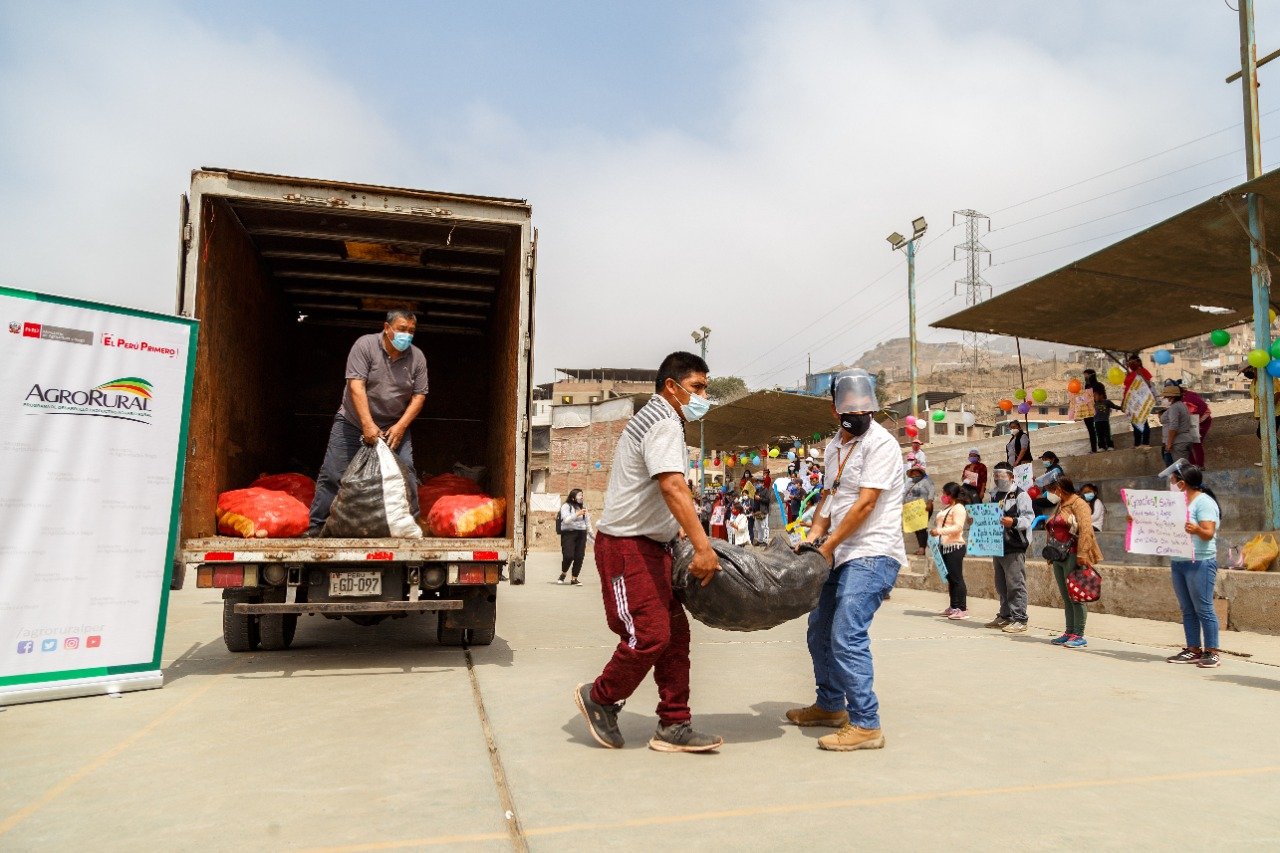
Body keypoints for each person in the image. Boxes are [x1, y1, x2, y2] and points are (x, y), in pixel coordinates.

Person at [573, 351, 723, 754]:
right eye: (697, 388)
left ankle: (674, 724)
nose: (703, 397)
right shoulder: (663, 421)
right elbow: (673, 486)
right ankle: (601, 697)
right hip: (627, 548)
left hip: (652, 547)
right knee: (651, 634)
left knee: (674, 637)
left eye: (705, 388)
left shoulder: (660, 418)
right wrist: (703, 547)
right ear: (671, 387)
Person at [786, 369, 905, 752]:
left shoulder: (882, 445)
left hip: (872, 551)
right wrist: (814, 535)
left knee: (846, 633)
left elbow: (866, 503)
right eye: (848, 404)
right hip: (840, 552)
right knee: (819, 628)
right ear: (834, 408)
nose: (856, 411)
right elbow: (829, 497)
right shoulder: (835, 445)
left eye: (862, 404)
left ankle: (867, 723)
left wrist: (829, 543)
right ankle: (830, 705)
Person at [307, 310, 427, 535]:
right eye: (402, 329)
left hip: (393, 426)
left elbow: (419, 396)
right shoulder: (365, 346)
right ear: (387, 327)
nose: (407, 335)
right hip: (352, 422)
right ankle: (316, 528)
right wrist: (367, 424)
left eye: (411, 331)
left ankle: (410, 528)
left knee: (407, 474)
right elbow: (356, 386)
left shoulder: (417, 357)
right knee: (333, 474)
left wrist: (400, 426)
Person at [1162, 462, 1223, 669]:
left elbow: (1208, 533)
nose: (1170, 484)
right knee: (1187, 608)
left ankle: (1212, 651)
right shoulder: (1177, 503)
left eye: (1172, 481)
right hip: (1179, 561)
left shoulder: (1203, 502)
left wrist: (1196, 529)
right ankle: (1193, 649)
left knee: (1204, 608)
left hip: (1200, 562)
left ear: (1182, 483)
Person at [1043, 475, 1103, 649]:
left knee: (1076, 595)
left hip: (1073, 554)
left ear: (1059, 489)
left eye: (1052, 490)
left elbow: (1086, 530)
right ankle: (1069, 631)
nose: (1050, 494)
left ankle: (1079, 633)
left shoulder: (1079, 504)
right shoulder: (1060, 504)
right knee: (1066, 596)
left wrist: (1083, 553)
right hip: (1058, 555)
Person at [985, 462, 1033, 633]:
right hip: (998, 545)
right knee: (1001, 584)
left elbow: (1028, 519)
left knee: (1015, 584)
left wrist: (1013, 522)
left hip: (1014, 545)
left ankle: (1020, 618)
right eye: (996, 476)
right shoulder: (994, 494)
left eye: (1002, 475)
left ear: (1012, 476)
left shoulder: (1021, 495)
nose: (998, 479)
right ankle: (1005, 616)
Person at [931, 482, 970, 619]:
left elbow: (958, 527)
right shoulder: (949, 507)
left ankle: (962, 608)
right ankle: (953, 606)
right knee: (951, 578)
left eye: (944, 493)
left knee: (957, 578)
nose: (943, 496)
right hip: (944, 546)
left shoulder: (959, 508)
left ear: (950, 494)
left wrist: (939, 531)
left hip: (955, 546)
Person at [1167, 381, 1212, 468]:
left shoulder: (1188, 397)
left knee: (1196, 443)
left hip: (1202, 421)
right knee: (1189, 444)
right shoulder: (1180, 400)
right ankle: (1193, 465)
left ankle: (1199, 465)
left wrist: (1193, 417)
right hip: (1193, 422)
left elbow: (1203, 407)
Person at [558, 489, 590, 585]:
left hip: (581, 533)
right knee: (568, 556)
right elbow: (566, 520)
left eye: (582, 495)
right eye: (580, 495)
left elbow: (587, 522)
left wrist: (591, 535)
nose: (582, 497)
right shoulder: (566, 506)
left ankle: (574, 578)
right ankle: (563, 573)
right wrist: (577, 514)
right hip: (569, 533)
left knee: (579, 556)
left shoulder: (583, 507)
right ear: (573, 497)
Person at [1159, 384, 1195, 468]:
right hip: (1183, 440)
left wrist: (1169, 444)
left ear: (1172, 397)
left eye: (1166, 397)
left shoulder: (1174, 408)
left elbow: (1174, 426)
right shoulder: (1182, 405)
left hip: (1177, 443)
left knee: (1179, 470)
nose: (1165, 399)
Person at [1124, 354, 1155, 448]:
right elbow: (1126, 389)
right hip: (1131, 401)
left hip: (1141, 401)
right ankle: (1137, 443)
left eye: (1132, 362)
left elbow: (1148, 384)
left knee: (1143, 421)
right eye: (1129, 363)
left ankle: (1145, 442)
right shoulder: (1129, 374)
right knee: (1134, 423)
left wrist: (1141, 375)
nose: (1130, 364)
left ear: (1138, 362)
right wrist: (1123, 402)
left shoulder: (1143, 371)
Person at [903, 465, 934, 556]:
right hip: (911, 509)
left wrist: (929, 502)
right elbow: (904, 494)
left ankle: (923, 548)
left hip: (924, 507)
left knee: (921, 528)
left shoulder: (926, 481)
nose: (914, 474)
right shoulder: (909, 483)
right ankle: (922, 547)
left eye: (916, 472)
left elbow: (931, 490)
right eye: (913, 472)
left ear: (920, 473)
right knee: (916, 528)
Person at [1090, 377, 1122, 452]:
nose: (1094, 397)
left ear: (1101, 395)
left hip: (1105, 421)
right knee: (1099, 435)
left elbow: (1115, 406)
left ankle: (1110, 446)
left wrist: (1122, 408)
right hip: (1097, 422)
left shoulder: (1107, 402)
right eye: (1093, 396)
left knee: (1107, 434)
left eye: (1096, 395)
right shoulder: (1093, 404)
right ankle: (1102, 447)